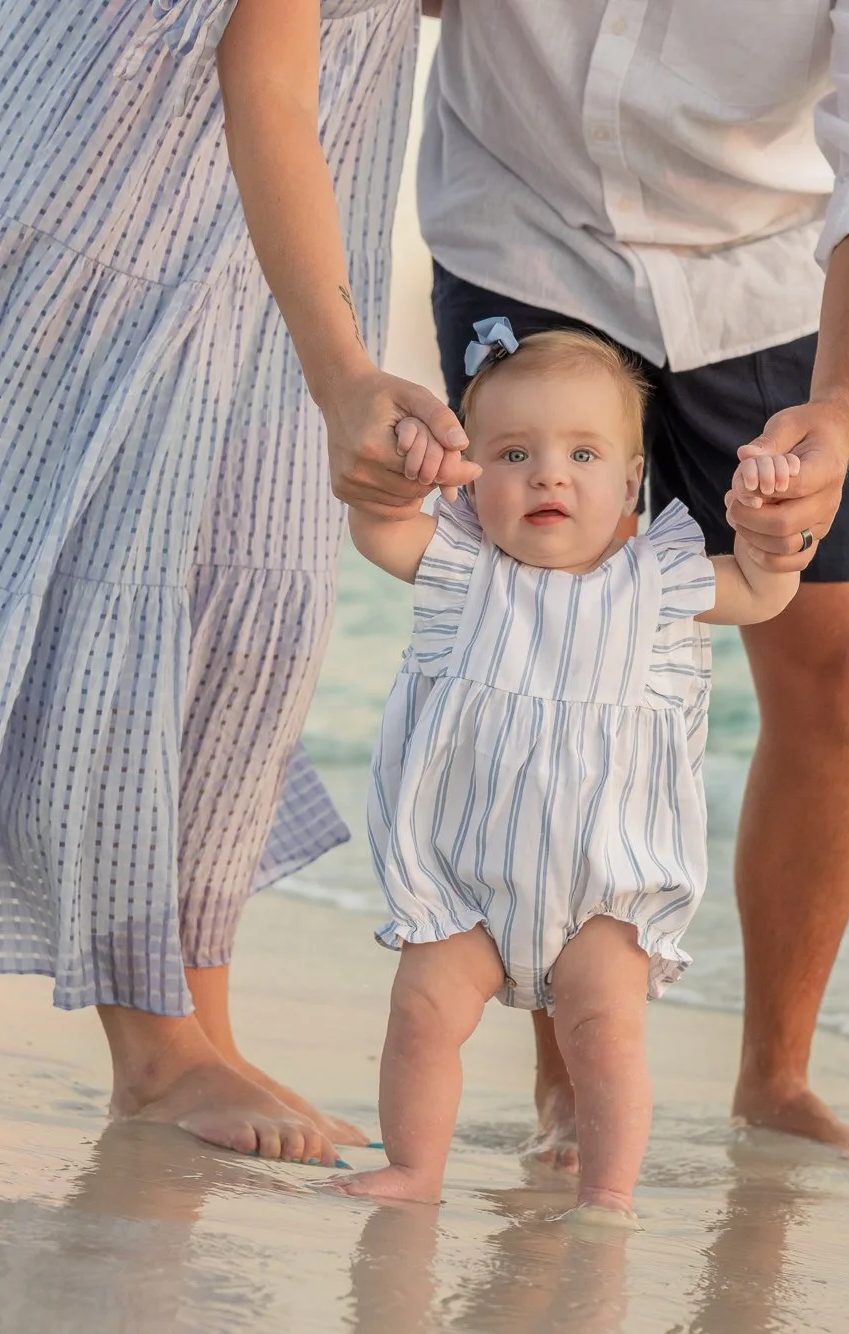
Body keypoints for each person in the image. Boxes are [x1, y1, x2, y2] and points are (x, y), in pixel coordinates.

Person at [0, 0, 473, 1168]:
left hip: (304, 109)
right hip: (127, 113)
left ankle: (195, 1014)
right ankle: (155, 1047)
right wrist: (345, 369)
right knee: (117, 557)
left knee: (260, 576)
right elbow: (259, 71)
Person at [418, 0, 849, 1170]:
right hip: (526, 228)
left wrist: (837, 411)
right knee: (553, 637)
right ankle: (568, 1082)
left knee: (835, 670)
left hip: (774, 276)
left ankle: (775, 1080)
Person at [334, 325, 800, 1217]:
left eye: (582, 452)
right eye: (514, 452)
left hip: (604, 893)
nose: (549, 474)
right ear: (470, 476)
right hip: (464, 885)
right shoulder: (463, 570)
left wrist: (773, 540)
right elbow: (382, 530)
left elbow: (761, 590)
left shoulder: (660, 583)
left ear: (631, 482)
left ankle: (608, 1190)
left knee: (605, 1035)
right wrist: (398, 472)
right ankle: (414, 1171)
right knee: (423, 1018)